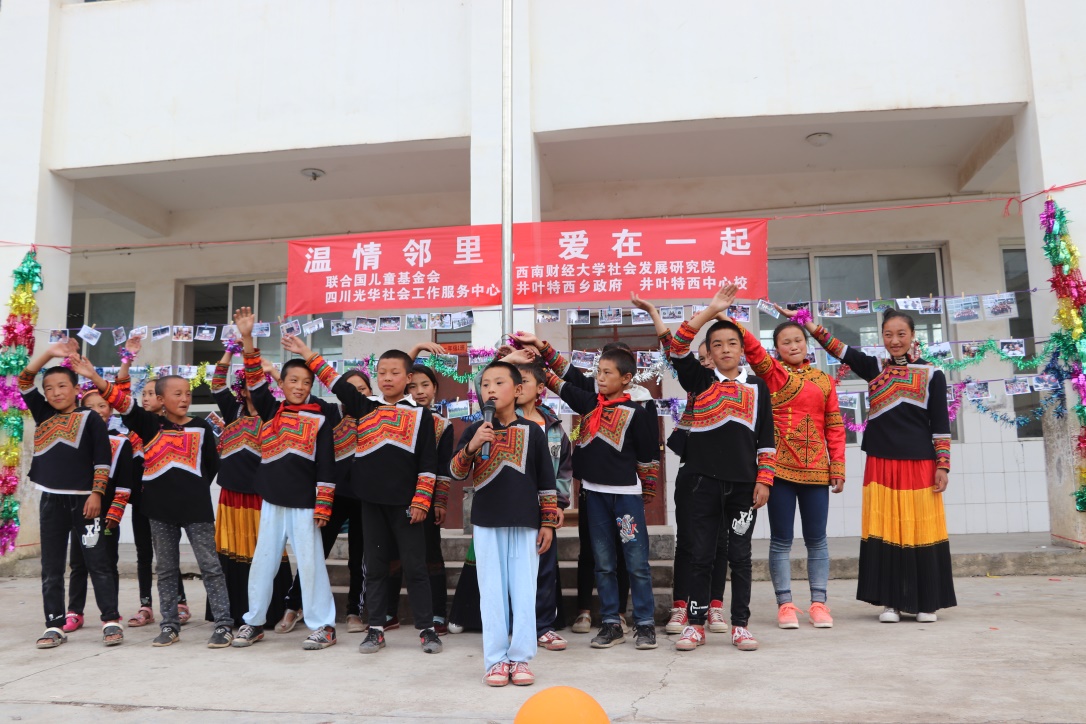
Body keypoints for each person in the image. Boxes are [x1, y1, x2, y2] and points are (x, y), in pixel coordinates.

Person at [283, 335, 442, 655]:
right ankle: (375, 629)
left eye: (395, 372)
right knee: (376, 567)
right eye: (382, 372)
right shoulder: (364, 406)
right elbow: (335, 381)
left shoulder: (422, 415)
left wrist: (422, 501)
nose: (387, 378)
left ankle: (426, 629)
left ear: (408, 378)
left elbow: (428, 464)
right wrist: (307, 353)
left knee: (415, 567)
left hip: (407, 506)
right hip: (370, 503)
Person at [800, 307, 955, 622]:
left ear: (913, 336)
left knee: (920, 528)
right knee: (886, 529)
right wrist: (805, 321)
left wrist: (943, 464)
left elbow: (940, 423)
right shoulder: (875, 368)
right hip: (881, 463)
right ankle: (891, 603)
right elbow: (840, 349)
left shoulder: (932, 374)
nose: (895, 340)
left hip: (919, 463)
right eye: (888, 334)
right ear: (882, 337)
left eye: (901, 334)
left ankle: (926, 603)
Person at [519, 340, 661, 651]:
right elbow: (558, 382)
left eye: (608, 373)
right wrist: (539, 352)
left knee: (636, 562)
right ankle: (611, 623)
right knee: (603, 562)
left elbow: (648, 453)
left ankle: (645, 624)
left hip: (626, 497)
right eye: (599, 372)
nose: (601, 377)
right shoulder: (590, 403)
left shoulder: (637, 412)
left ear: (626, 378)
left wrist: (648, 487)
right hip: (594, 496)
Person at [90, 359, 233, 647]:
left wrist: (192, 488)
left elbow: (211, 465)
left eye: (188, 394)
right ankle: (169, 625)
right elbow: (120, 400)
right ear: (161, 399)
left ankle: (223, 624)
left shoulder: (201, 427)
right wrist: (92, 374)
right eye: (177, 394)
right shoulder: (148, 425)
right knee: (166, 569)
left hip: (196, 508)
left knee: (210, 566)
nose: (184, 399)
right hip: (158, 509)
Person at [668, 284, 776, 652]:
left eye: (732, 343)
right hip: (702, 484)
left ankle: (740, 625)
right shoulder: (700, 381)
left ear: (742, 349)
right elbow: (677, 347)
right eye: (717, 345)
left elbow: (766, 437)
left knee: (740, 557)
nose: (726, 349)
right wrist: (711, 311)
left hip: (744, 486)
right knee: (701, 555)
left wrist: (764, 480)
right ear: (710, 354)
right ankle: (695, 624)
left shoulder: (759, 387)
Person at [230, 307, 339, 650]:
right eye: (293, 380)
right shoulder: (271, 411)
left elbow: (326, 465)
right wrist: (248, 338)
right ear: (282, 383)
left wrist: (323, 505)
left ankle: (323, 626)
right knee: (263, 564)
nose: (299, 386)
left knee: (310, 566)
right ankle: (254, 622)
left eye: (306, 382)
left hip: (305, 504)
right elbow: (254, 380)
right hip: (272, 502)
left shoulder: (321, 417)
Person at [733, 304, 846, 628]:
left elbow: (835, 426)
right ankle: (785, 605)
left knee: (817, 540)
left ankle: (819, 604)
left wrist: (837, 466)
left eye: (798, 340)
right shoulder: (772, 375)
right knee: (781, 540)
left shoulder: (824, 381)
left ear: (806, 344)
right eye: (786, 342)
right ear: (777, 348)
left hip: (817, 471)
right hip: (779, 470)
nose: (794, 346)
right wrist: (730, 321)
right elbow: (754, 352)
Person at [629, 294, 736, 636]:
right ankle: (681, 606)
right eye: (703, 356)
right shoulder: (698, 381)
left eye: (712, 355)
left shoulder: (743, 387)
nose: (707, 361)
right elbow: (673, 347)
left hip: (731, 473)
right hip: (695, 469)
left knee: (721, 543)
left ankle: (714, 606)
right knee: (689, 540)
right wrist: (654, 312)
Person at [449, 361, 559, 686]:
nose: (491, 390)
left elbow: (546, 480)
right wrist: (472, 446)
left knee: (524, 591)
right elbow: (455, 472)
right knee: (492, 594)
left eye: (499, 383)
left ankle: (521, 658)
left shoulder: (534, 432)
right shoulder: (474, 430)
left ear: (518, 390)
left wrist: (548, 522)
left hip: (526, 523)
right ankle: (496, 660)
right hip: (486, 523)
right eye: (485, 384)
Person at [20, 340, 120, 649]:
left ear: (76, 389)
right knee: (51, 567)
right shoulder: (43, 413)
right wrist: (50, 353)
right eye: (49, 388)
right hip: (51, 502)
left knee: (97, 562)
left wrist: (97, 494)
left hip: (85, 501)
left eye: (62, 386)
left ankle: (110, 620)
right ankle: (54, 624)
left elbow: (102, 460)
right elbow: (24, 380)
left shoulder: (90, 418)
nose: (55, 393)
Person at [278, 367, 371, 635]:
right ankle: (294, 606)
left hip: (365, 498)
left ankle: (354, 611)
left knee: (359, 559)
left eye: (361, 389)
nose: (355, 393)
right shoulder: (330, 412)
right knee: (314, 552)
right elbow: (300, 395)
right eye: (350, 389)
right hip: (333, 497)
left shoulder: (374, 414)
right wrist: (277, 376)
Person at [208, 350, 293, 629]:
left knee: (265, 551)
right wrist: (228, 351)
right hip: (231, 496)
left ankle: (269, 612)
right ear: (241, 390)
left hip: (260, 496)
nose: (253, 390)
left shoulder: (274, 413)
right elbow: (216, 383)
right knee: (231, 549)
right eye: (247, 385)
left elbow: (292, 396)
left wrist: (275, 373)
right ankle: (232, 612)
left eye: (259, 385)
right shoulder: (232, 411)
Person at [111, 338, 190, 629]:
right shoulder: (135, 428)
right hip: (142, 501)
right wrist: (127, 358)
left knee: (168, 554)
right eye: (142, 393)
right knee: (144, 553)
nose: (145, 398)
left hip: (167, 501)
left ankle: (180, 602)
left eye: (150, 394)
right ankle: (146, 605)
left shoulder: (169, 428)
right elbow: (119, 393)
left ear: (163, 398)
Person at [61, 385, 134, 636]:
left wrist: (114, 514)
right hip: (78, 512)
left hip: (106, 514)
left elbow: (124, 483)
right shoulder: (74, 441)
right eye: (90, 407)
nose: (97, 411)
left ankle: (111, 612)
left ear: (111, 410)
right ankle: (75, 611)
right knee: (78, 563)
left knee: (107, 563)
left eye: (102, 406)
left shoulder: (121, 442)